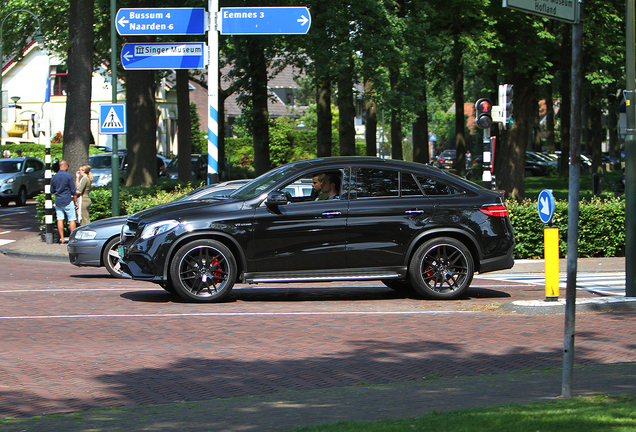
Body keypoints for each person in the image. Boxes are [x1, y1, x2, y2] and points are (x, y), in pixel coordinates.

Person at [50, 160, 77, 244]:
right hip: (67, 200)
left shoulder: (54, 177)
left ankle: (62, 238)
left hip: (58, 200)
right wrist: (76, 201)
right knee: (72, 219)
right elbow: (73, 190)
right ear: (65, 166)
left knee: (60, 219)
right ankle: (72, 238)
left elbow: (52, 190)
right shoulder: (68, 176)